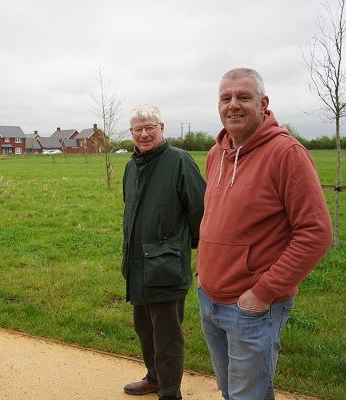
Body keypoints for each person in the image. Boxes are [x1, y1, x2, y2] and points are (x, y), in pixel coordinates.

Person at [196, 68, 332, 400]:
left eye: (244, 96)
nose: (233, 105)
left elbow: (316, 232)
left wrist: (263, 292)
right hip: (209, 298)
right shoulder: (217, 153)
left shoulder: (286, 153)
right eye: (226, 98)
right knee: (231, 392)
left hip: (251, 307)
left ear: (263, 102)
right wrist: (203, 276)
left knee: (248, 397)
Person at [121, 105, 206, 400]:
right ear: (131, 133)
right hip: (137, 264)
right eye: (138, 129)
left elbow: (200, 211)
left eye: (150, 127)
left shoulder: (180, 161)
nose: (144, 134)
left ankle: (170, 393)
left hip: (166, 267)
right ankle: (154, 378)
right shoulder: (131, 167)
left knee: (167, 335)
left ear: (162, 128)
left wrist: (193, 252)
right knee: (144, 328)